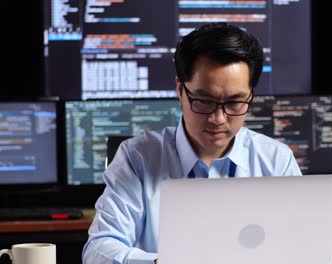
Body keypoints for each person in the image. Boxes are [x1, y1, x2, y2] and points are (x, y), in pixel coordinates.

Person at [82, 22, 302, 264]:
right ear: (180, 90)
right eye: (203, 101)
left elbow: (302, 247)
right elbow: (98, 250)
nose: (218, 118)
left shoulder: (276, 161)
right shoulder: (137, 158)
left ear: (251, 95)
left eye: (234, 103)